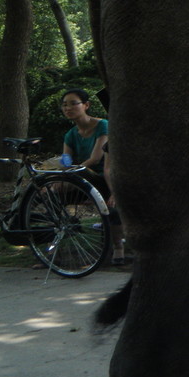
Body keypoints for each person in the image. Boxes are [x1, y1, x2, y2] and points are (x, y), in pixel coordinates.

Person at [60, 89, 125, 265]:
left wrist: (73, 170)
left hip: (101, 176)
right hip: (82, 177)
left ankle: (118, 247)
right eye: (65, 104)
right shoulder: (71, 134)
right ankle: (55, 245)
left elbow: (96, 158)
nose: (68, 108)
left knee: (112, 207)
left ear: (86, 105)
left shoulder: (103, 125)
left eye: (74, 103)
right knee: (53, 191)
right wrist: (64, 168)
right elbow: (66, 159)